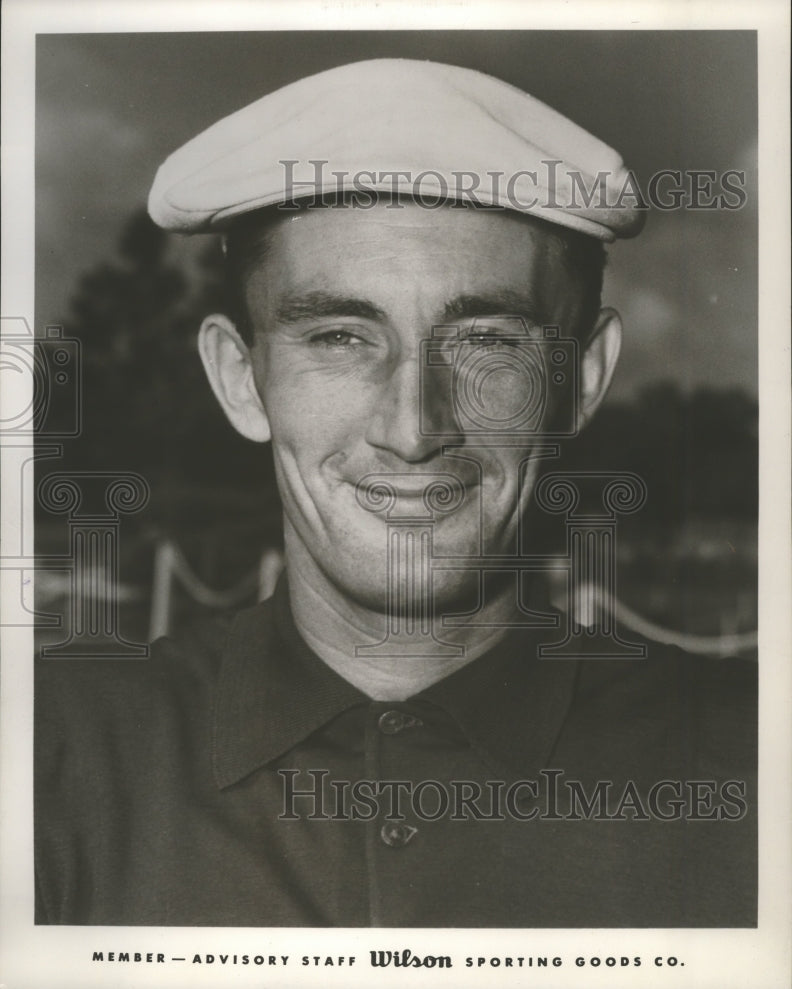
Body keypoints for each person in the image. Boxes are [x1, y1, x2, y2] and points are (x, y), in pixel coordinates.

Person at [35, 58, 756, 927]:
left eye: (487, 341)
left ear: (583, 379)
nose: (414, 430)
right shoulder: (45, 761)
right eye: (339, 337)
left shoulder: (754, 770)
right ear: (239, 378)